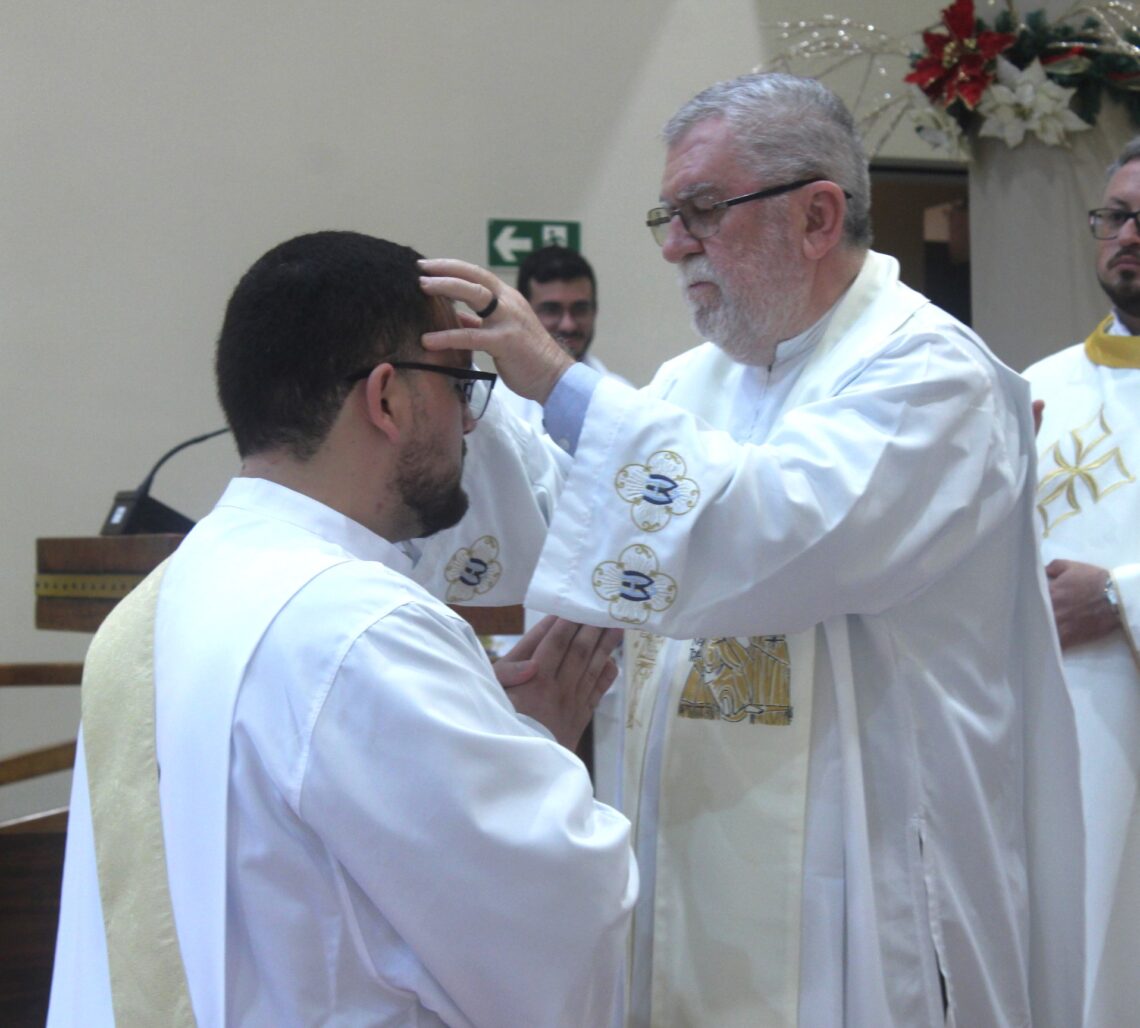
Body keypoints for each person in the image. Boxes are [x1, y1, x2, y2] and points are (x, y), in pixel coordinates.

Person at [413, 73, 1084, 1026]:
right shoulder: (693, 381)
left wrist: (557, 383)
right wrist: (454, 398)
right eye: (669, 215)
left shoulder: (932, 374)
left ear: (817, 217)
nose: (676, 243)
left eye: (702, 209)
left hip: (858, 882)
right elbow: (586, 525)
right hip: (687, 860)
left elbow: (769, 530)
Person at [47, 231, 637, 1027]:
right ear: (388, 398)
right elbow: (556, 929)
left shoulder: (153, 606)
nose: (469, 424)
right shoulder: (362, 632)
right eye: (461, 387)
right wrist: (538, 748)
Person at [1023, 140, 1140, 1028]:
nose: (1126, 236)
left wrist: (1121, 595)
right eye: (1114, 218)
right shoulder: (1032, 390)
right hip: (1060, 749)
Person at [497, 245, 629, 430]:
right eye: (552, 310)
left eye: (580, 309)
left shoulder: (625, 401)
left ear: (595, 311)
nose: (568, 325)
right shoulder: (494, 406)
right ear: (524, 314)